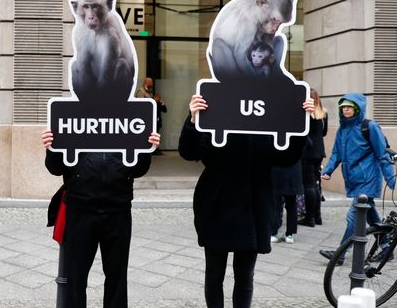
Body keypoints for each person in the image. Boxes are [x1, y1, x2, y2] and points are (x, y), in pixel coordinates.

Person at [179, 94, 314, 308]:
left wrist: (300, 123)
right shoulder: (217, 108)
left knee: (244, 275)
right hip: (217, 204)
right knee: (214, 273)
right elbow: (188, 152)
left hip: (254, 206)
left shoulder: (265, 115)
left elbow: (287, 157)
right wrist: (193, 120)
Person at [42, 129, 161, 308]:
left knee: (117, 277)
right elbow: (55, 168)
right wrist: (51, 147)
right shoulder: (72, 118)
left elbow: (138, 170)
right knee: (75, 277)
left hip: (117, 209)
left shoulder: (129, 121)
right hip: (80, 209)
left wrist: (146, 149)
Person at [319, 93, 395, 263]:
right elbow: (337, 153)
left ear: (358, 108)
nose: (346, 109)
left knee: (353, 216)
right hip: (353, 179)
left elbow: (382, 153)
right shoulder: (342, 129)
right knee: (371, 216)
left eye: (349, 106)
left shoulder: (370, 126)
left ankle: (340, 254)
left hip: (368, 179)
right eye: (343, 107)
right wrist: (329, 170)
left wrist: (390, 179)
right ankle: (387, 248)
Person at [299, 88, 327, 227]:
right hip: (319, 151)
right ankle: (317, 217)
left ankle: (309, 218)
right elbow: (324, 132)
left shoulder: (305, 112)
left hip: (308, 152)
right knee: (315, 184)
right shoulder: (322, 112)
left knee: (308, 185)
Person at [270, 159, 303, 244]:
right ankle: (289, 234)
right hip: (293, 171)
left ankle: (274, 233)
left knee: (276, 204)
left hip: (277, 170)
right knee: (291, 204)